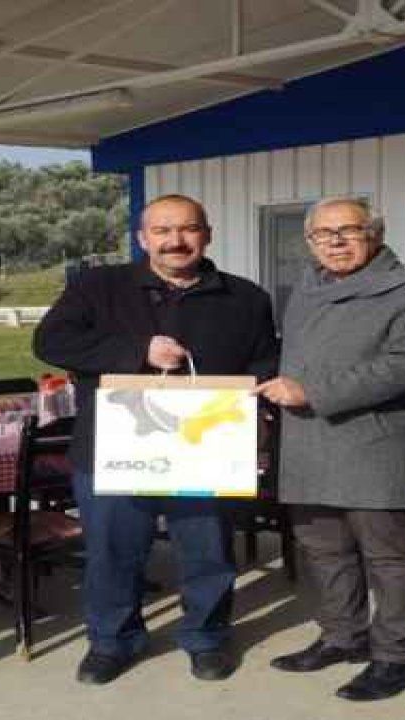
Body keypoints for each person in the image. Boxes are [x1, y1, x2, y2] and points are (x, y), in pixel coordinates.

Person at [33, 193, 278, 685]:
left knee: (208, 552)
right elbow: (50, 342)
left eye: (188, 229)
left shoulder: (246, 297)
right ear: (143, 238)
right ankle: (113, 641)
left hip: (206, 450)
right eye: (162, 231)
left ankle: (206, 637)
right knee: (112, 552)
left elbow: (263, 362)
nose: (175, 241)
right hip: (114, 449)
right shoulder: (98, 286)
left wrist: (259, 413)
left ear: (207, 235)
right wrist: (137, 351)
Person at [255, 196, 405, 701]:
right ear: (309, 241)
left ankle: (396, 655)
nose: (335, 242)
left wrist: (311, 392)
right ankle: (342, 636)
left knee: (390, 557)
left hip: (374, 442)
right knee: (324, 550)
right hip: (306, 441)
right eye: (323, 234)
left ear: (376, 234)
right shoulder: (307, 287)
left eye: (349, 230)